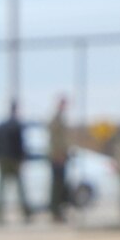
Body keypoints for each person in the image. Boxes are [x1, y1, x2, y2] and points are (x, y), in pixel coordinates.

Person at [0, 100, 31, 224]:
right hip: (13, 160)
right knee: (19, 189)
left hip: (3, 159)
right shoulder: (16, 126)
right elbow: (20, 144)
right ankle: (26, 214)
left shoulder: (1, 126)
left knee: (2, 188)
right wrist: (21, 158)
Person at [48, 95, 73, 223]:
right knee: (57, 187)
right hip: (57, 157)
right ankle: (55, 212)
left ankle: (59, 212)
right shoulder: (56, 120)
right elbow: (55, 140)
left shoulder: (61, 119)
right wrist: (58, 154)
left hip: (61, 156)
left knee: (62, 187)